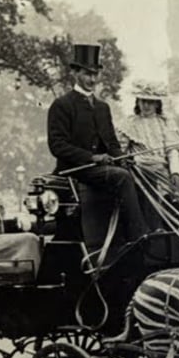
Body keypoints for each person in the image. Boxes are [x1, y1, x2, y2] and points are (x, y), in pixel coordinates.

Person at [47, 43, 150, 249]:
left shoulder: (103, 107)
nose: (92, 79)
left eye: (95, 74)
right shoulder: (62, 105)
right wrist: (92, 158)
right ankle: (138, 237)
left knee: (140, 172)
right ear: (75, 73)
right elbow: (57, 146)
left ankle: (153, 232)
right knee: (121, 177)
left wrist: (122, 157)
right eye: (87, 74)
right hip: (76, 170)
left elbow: (111, 143)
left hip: (101, 170)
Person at [117, 80, 179, 225]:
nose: (146, 105)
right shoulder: (129, 123)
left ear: (157, 104)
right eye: (143, 101)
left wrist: (175, 173)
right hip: (140, 172)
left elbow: (172, 150)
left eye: (150, 102)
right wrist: (126, 161)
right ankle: (154, 233)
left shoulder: (165, 123)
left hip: (163, 171)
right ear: (138, 102)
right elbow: (121, 150)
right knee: (150, 199)